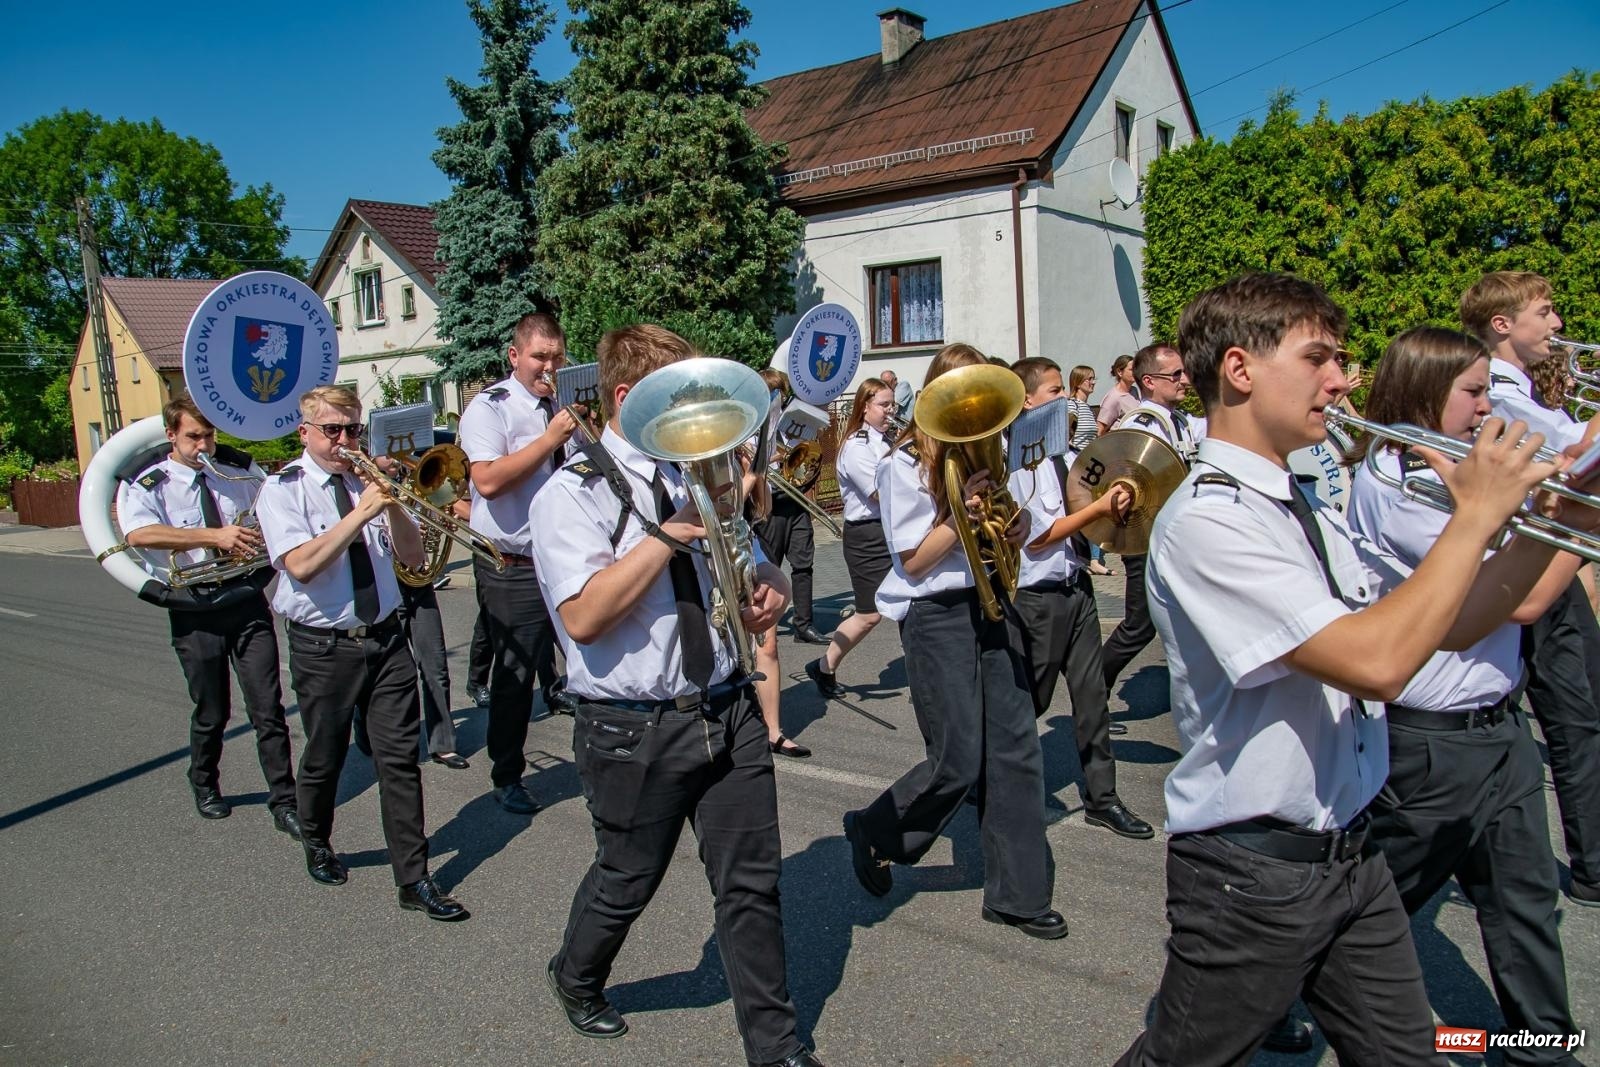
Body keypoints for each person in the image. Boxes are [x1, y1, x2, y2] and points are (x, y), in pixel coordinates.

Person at [1118, 272, 1566, 1065]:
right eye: (1319, 357)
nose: (1342, 378)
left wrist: (1561, 521)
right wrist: (1476, 518)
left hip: (1349, 856)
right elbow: (1378, 663)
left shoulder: (1308, 503)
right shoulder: (1209, 520)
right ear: (1240, 369)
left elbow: (1456, 622)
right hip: (1253, 874)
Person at [530, 325, 823, 1067]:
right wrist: (664, 536)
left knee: (752, 886)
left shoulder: (706, 478)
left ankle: (776, 1049)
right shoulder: (573, 493)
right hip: (633, 726)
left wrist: (771, 595)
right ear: (628, 398)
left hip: (727, 705)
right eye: (678, 399)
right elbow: (585, 617)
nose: (696, 417)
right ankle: (575, 973)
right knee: (628, 878)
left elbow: (766, 572)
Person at [1350, 326, 1585, 1065]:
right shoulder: (1394, 476)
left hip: (1498, 726)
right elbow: (1513, 598)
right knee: (1375, 904)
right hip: (1430, 735)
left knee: (1524, 905)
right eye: (1474, 392)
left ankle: (1542, 1048)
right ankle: (1280, 998)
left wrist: (1567, 487)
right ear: (1424, 390)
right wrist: (1574, 515)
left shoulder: (1464, 465)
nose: (1490, 408)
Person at [842, 343, 1064, 941]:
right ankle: (876, 829)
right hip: (936, 615)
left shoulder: (985, 454)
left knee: (1017, 751)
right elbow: (913, 561)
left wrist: (1013, 525)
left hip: (992, 601)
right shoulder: (903, 464)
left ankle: (1018, 896)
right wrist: (957, 515)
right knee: (958, 758)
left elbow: (1007, 530)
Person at [254, 385, 466, 921]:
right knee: (324, 752)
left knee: (399, 762)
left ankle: (413, 879)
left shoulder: (371, 481)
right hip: (324, 647)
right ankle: (317, 837)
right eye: (333, 430)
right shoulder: (285, 489)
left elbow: (416, 560)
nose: (345, 441)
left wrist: (392, 504)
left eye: (353, 430)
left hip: (387, 637)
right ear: (305, 432)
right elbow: (301, 565)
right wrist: (360, 512)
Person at [1462, 271, 1600, 908]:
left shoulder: (1522, 391)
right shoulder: (1496, 390)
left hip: (1547, 555)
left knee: (1578, 706)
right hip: (1526, 561)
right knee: (1571, 715)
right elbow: (1571, 460)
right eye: (1545, 312)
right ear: (1503, 325)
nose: (1558, 326)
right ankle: (1592, 863)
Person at [118, 396, 298, 833]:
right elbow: (139, 532)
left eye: (210, 436)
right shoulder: (150, 483)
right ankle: (204, 782)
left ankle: (285, 800)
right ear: (171, 436)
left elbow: (264, 516)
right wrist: (213, 535)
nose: (204, 446)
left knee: (268, 708)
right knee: (211, 709)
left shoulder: (234, 474)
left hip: (244, 600)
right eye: (193, 437)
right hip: (194, 607)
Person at [1006, 358, 1152, 839]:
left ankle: (1101, 798)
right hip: (1038, 599)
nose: (1063, 399)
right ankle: (991, 776)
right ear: (1028, 400)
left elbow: (1084, 516)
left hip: (1076, 590)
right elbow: (1037, 539)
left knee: (1092, 699)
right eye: (1053, 391)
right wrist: (1098, 509)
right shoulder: (1017, 464)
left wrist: (1116, 503)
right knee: (1034, 701)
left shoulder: (1063, 456)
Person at [457, 312, 577, 814]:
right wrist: (550, 439)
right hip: (511, 558)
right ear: (515, 356)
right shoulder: (492, 408)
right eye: (538, 357)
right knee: (514, 672)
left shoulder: (562, 405)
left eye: (555, 357)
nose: (547, 367)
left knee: (584, 652)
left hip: (561, 551)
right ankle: (506, 772)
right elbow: (486, 481)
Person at [1101, 343, 1202, 701]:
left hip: (1173, 538)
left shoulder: (1179, 420)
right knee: (1139, 626)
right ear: (1150, 381)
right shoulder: (1143, 426)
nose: (1184, 380)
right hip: (1147, 538)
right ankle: (1093, 687)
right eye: (1175, 375)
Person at [806, 377, 894, 700]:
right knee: (869, 614)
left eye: (892, 404)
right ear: (865, 406)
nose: (890, 411)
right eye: (883, 405)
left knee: (912, 604)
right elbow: (879, 493)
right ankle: (825, 665)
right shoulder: (856, 447)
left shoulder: (887, 440)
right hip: (867, 537)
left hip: (889, 530)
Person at [753, 368, 827, 645]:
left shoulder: (793, 426)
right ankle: (763, 623)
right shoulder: (754, 429)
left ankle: (804, 625)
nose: (778, 399)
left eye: (780, 394)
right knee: (768, 567)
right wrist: (768, 459)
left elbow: (809, 463)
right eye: (772, 394)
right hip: (768, 509)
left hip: (795, 503)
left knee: (804, 565)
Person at [1065, 363, 1113, 576]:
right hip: (1077, 461)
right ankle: (1091, 557)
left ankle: (1094, 557)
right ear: (1078, 382)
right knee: (1088, 508)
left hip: (1090, 460)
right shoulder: (1072, 406)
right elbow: (1069, 436)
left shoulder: (1086, 407)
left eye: (1093, 378)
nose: (1093, 382)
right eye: (1089, 379)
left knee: (1094, 507)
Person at [1094, 354, 1140, 434]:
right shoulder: (1113, 398)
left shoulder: (1134, 390)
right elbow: (1100, 430)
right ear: (1120, 372)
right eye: (1131, 369)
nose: (1135, 372)